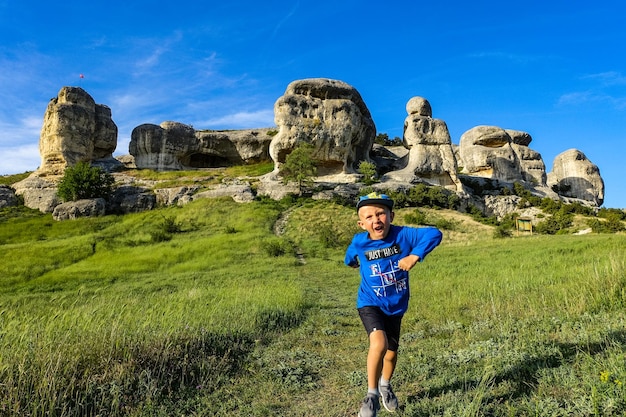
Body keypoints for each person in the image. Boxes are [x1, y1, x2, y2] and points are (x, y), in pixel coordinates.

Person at [344, 192, 442, 417]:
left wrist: (414, 256)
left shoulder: (404, 235)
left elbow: (435, 233)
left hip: (396, 304)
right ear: (361, 223)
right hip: (369, 301)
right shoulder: (360, 241)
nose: (376, 220)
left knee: (390, 353)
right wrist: (351, 262)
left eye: (381, 214)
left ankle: (385, 386)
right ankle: (371, 396)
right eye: (369, 217)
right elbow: (349, 257)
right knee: (378, 344)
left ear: (391, 215)